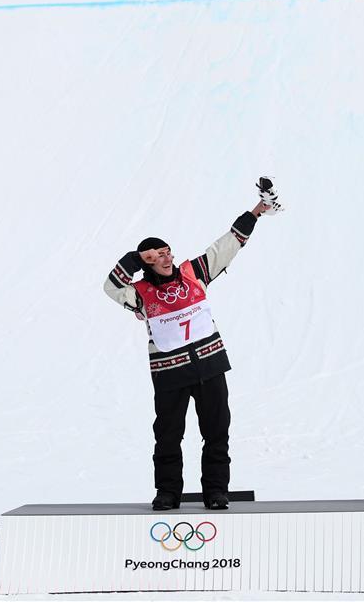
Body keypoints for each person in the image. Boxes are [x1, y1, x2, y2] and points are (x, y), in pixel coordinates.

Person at [104, 179, 277, 511]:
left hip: (210, 366)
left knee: (216, 432)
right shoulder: (140, 293)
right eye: (157, 257)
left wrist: (257, 210)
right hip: (170, 373)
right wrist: (134, 258)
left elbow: (227, 245)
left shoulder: (193, 272)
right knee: (168, 436)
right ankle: (168, 492)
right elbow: (111, 287)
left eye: (167, 252)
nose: (166, 259)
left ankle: (216, 490)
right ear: (146, 262)